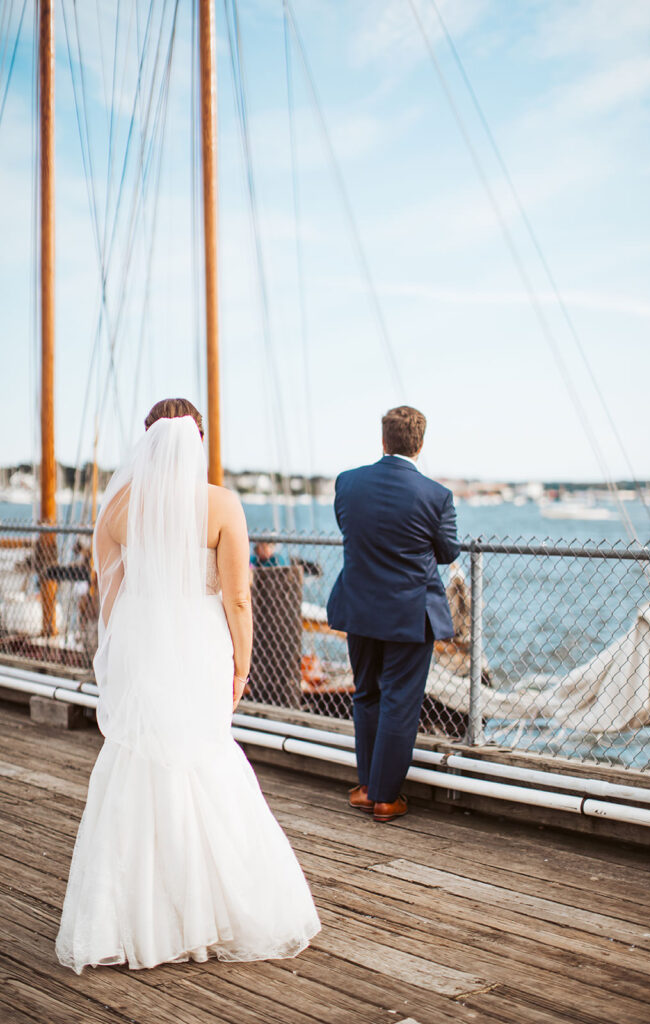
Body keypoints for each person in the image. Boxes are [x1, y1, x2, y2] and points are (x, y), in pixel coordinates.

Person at [55, 398, 320, 974]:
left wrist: (120, 652)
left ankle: (138, 920)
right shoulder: (220, 504)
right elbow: (239, 597)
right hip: (201, 642)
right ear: (196, 441)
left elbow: (110, 593)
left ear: (147, 440)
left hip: (142, 640)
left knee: (140, 759)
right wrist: (243, 664)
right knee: (205, 756)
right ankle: (212, 912)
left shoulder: (118, 507)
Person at [327, 405, 460, 823]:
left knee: (366, 693)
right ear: (419, 445)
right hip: (408, 613)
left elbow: (350, 531)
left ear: (383, 441)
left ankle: (367, 787)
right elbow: (448, 552)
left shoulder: (347, 484)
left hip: (360, 606)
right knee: (400, 702)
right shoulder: (436, 496)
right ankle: (385, 797)